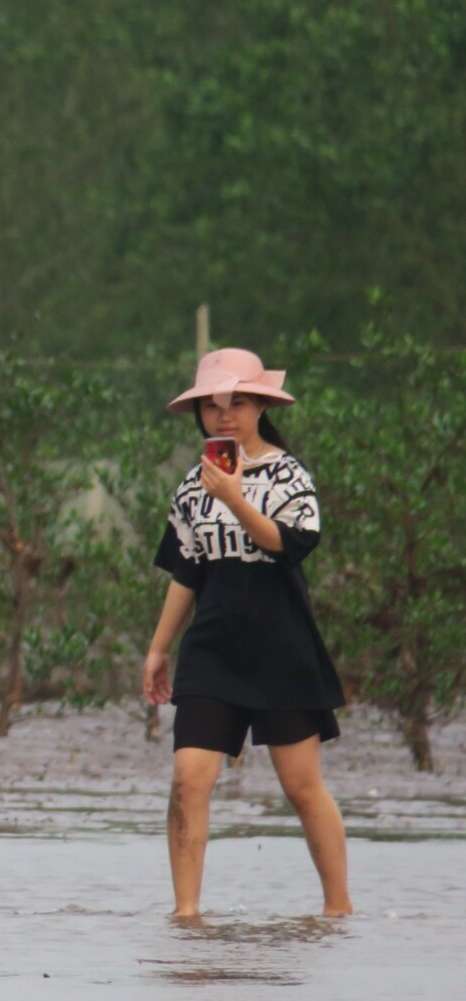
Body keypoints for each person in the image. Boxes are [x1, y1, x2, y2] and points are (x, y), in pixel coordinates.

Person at [142, 348, 352, 918]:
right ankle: (186, 916)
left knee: (301, 787)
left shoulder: (289, 475)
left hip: (282, 646)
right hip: (212, 649)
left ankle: (338, 911)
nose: (224, 415)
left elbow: (290, 544)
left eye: (236, 402)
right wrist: (158, 648)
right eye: (212, 406)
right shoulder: (193, 485)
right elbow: (187, 571)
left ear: (260, 406)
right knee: (188, 779)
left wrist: (234, 498)